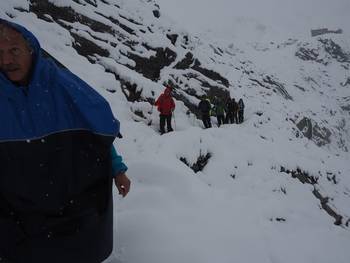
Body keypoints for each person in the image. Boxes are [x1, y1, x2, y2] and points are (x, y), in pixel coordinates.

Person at [0, 19, 130, 263]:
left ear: (31, 49)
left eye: (14, 50)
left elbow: (95, 130)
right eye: (0, 53)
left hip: (73, 209)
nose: (7, 60)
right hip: (19, 215)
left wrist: (117, 168)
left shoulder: (61, 85)